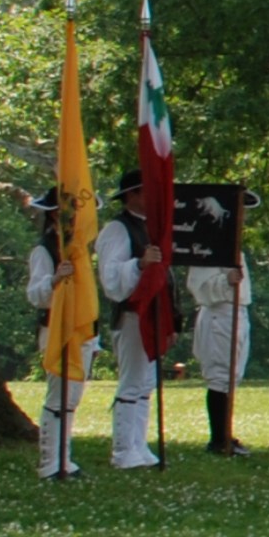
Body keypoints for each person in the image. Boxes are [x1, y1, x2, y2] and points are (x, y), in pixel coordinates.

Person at [93, 171, 169, 470]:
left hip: (151, 315)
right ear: (132, 196)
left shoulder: (150, 228)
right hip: (131, 314)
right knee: (132, 381)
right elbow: (111, 280)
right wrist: (139, 264)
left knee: (146, 383)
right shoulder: (117, 229)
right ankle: (123, 449)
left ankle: (138, 445)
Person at [25, 188, 97, 480]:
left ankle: (64, 458)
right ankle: (49, 462)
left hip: (81, 329)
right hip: (56, 328)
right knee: (58, 398)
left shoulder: (79, 248)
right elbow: (35, 294)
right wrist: (55, 281)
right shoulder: (44, 249)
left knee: (72, 399)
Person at [187, 191, 260, 457]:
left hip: (237, 312)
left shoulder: (232, 243)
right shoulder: (210, 242)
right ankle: (218, 438)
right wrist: (225, 281)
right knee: (220, 376)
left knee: (232, 376)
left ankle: (226, 434)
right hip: (219, 312)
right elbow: (198, 286)